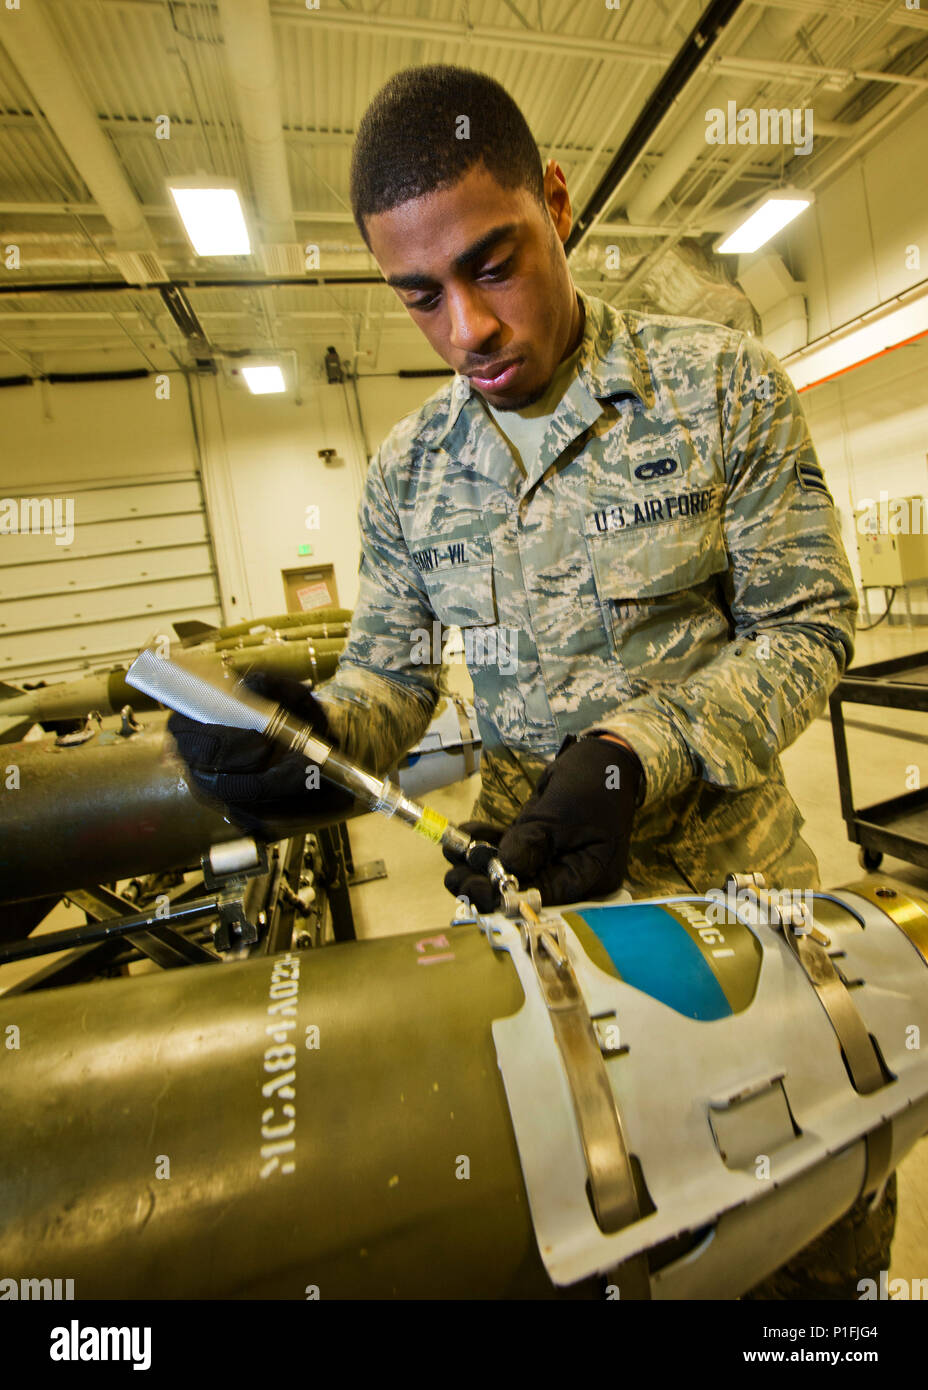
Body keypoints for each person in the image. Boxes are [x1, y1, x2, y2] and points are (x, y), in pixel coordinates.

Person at [169, 64, 893, 1297]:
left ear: (556, 205)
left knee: (807, 1268)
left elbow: (809, 625)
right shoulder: (407, 473)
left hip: (744, 939)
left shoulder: (721, 391)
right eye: (420, 297)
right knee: (591, 1258)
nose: (468, 331)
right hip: (541, 959)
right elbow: (388, 682)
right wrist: (311, 737)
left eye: (493, 265)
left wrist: (628, 756)